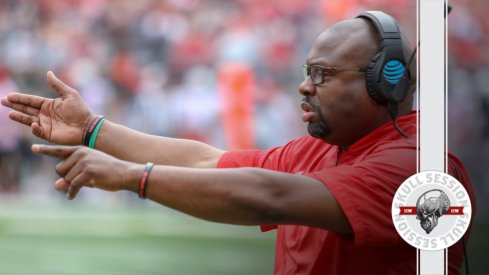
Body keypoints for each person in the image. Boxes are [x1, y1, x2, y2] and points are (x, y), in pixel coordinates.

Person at [1, 11, 476, 275]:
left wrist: (132, 178)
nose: (304, 87)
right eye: (307, 72)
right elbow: (210, 161)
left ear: (385, 83)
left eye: (322, 75)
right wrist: (94, 130)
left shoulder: (422, 169)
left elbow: (268, 195)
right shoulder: (323, 149)